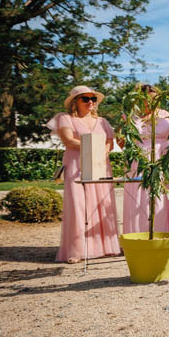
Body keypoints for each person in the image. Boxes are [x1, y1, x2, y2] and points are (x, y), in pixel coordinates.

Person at [47, 86, 121, 263]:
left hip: (100, 165)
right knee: (78, 205)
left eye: (93, 99)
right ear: (75, 101)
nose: (90, 102)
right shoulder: (65, 118)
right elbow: (68, 140)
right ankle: (77, 250)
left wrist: (100, 155)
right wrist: (91, 148)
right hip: (75, 164)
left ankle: (105, 247)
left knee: (102, 204)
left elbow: (110, 142)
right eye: (85, 99)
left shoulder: (103, 122)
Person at [122, 85, 169, 235]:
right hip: (138, 158)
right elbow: (123, 141)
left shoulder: (167, 115)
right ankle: (137, 233)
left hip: (162, 157)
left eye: (155, 99)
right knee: (139, 196)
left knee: (160, 197)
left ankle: (161, 232)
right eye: (147, 99)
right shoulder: (132, 115)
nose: (151, 102)